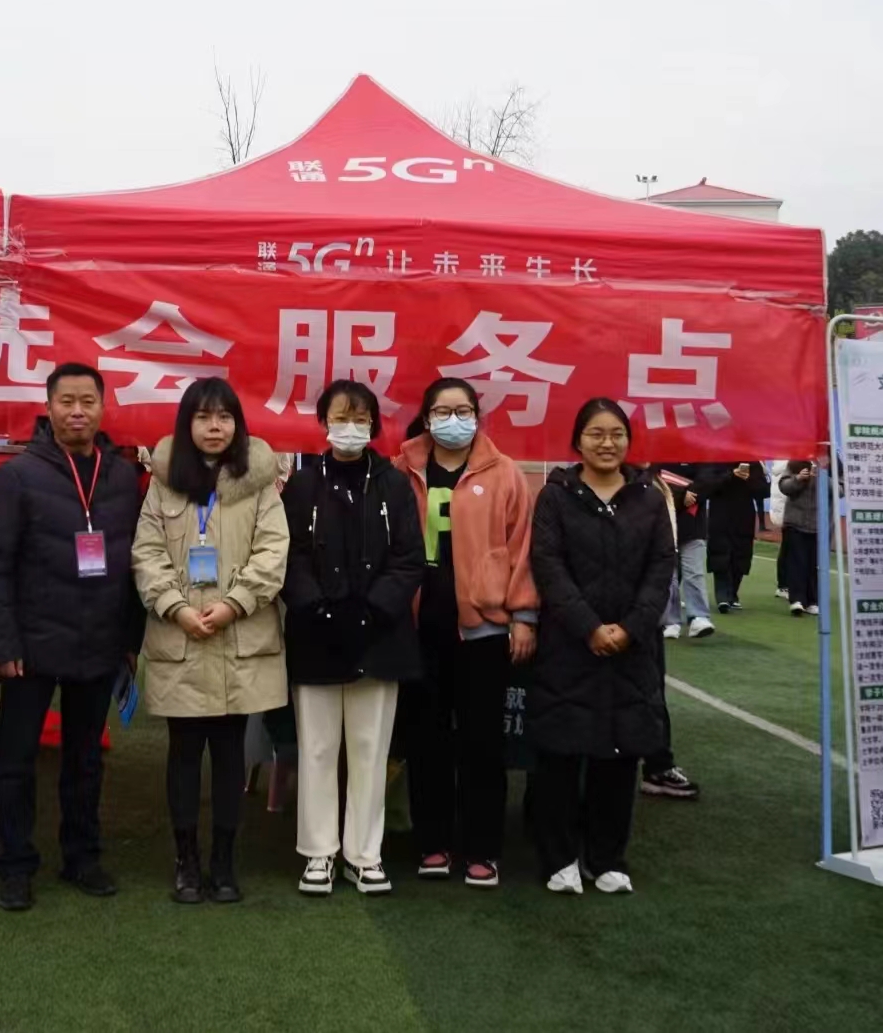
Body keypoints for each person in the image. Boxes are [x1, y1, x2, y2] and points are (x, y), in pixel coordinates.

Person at [0, 364, 145, 912]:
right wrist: (3, 645)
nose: (77, 411)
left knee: (85, 759)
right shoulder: (19, 475)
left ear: (102, 407)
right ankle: (15, 864)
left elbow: (135, 564)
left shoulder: (121, 476)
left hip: (98, 638)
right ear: (48, 408)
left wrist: (129, 638)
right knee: (16, 760)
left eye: (87, 401)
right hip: (32, 643)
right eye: (66, 401)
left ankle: (82, 857)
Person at [131, 378, 289, 903]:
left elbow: (273, 552)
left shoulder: (259, 483)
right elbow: (146, 552)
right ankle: (186, 860)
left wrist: (233, 604)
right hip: (179, 637)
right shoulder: (163, 482)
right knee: (182, 752)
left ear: (238, 425)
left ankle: (223, 861)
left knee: (228, 754)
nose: (215, 427)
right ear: (187, 424)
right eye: (203, 417)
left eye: (224, 417)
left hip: (237, 635)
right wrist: (176, 608)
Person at [280, 380, 425, 897]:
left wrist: (372, 609)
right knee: (318, 747)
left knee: (370, 747)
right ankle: (318, 852)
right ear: (323, 423)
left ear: (373, 426)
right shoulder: (303, 484)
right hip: (315, 632)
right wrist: (316, 608)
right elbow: (288, 555)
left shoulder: (393, 484)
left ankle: (365, 854)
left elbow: (409, 558)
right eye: (341, 417)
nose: (350, 427)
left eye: (360, 419)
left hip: (379, 634)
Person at [394, 378, 537, 889]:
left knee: (483, 743)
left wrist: (524, 615)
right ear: (426, 417)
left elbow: (521, 549)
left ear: (477, 415)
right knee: (426, 740)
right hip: (419, 629)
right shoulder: (402, 469)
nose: (453, 419)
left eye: (463, 410)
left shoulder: (505, 473)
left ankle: (482, 849)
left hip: (484, 631)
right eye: (442, 411)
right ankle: (432, 843)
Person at [528, 399, 674, 895]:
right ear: (578, 441)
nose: (607, 443)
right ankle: (559, 857)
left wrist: (630, 628)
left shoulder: (648, 498)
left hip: (631, 649)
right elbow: (548, 565)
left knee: (619, 752)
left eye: (616, 434)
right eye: (596, 434)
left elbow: (661, 567)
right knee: (561, 754)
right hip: (569, 646)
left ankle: (608, 857)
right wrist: (589, 627)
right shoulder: (556, 496)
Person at [638, 466, 701, 801]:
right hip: (618, 613)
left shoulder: (657, 482)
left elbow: (663, 558)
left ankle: (658, 765)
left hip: (649, 612)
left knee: (652, 692)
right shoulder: (628, 484)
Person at [655, 462, 716, 640]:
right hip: (664, 525)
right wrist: (683, 493)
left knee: (694, 572)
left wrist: (692, 492)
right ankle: (671, 621)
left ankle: (699, 617)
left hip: (693, 525)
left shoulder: (701, 456)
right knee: (669, 576)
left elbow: (709, 479)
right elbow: (655, 483)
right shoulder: (660, 457)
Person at [704, 460, 769, 613]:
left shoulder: (753, 462)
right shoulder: (717, 460)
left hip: (744, 516)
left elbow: (764, 491)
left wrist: (750, 479)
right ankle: (722, 596)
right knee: (720, 554)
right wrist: (730, 475)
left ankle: (732, 593)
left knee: (741, 556)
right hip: (720, 515)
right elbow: (708, 487)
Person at [779, 459, 821, 617]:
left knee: (813, 564)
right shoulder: (796, 461)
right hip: (795, 522)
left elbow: (840, 489)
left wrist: (823, 478)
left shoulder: (830, 461)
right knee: (796, 562)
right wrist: (798, 478)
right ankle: (797, 600)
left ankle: (812, 601)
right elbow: (784, 486)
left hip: (818, 523)